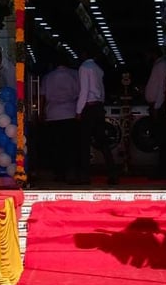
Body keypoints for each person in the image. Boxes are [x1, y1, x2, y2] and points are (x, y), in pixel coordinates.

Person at [76, 52, 118, 186]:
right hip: (98, 106)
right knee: (103, 140)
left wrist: (78, 110)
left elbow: (84, 90)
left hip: (89, 107)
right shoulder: (98, 68)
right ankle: (112, 173)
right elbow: (102, 89)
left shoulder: (84, 67)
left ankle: (84, 176)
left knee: (84, 142)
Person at [40, 63, 80, 182]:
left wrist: (41, 113)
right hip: (70, 112)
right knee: (70, 145)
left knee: (56, 145)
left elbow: (43, 96)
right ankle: (70, 171)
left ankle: (58, 173)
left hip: (53, 114)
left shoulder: (48, 77)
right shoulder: (74, 74)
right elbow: (80, 93)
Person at [144, 47, 166, 178]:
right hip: (158, 105)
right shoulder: (160, 65)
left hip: (160, 106)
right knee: (161, 137)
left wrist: (157, 106)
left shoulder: (161, 66)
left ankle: (164, 169)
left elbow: (163, 87)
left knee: (162, 138)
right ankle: (163, 168)